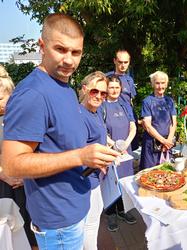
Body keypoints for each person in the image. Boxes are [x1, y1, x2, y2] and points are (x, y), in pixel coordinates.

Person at [1, 13, 119, 249]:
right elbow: (12, 164)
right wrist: (80, 156)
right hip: (58, 221)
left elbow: (61, 142)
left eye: (76, 52)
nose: (69, 60)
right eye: (60, 49)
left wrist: (92, 157)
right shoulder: (32, 94)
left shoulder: (64, 86)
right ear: (42, 46)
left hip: (76, 204)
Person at [0, 70, 38, 249]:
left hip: (26, 186)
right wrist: (4, 175)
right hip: (5, 188)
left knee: (30, 231)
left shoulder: (21, 119)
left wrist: (27, 175)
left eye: (1, 98)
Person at [101, 75, 137, 232]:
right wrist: (114, 145)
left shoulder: (125, 105)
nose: (114, 90)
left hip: (125, 150)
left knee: (124, 180)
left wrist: (125, 144)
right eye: (111, 87)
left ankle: (122, 211)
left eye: (117, 87)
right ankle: (111, 214)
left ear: (121, 89)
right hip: (109, 150)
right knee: (110, 181)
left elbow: (133, 127)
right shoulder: (102, 106)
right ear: (107, 89)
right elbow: (100, 130)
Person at [78, 71, 108, 250]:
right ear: (84, 89)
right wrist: (100, 161)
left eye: (103, 93)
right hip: (86, 182)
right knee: (89, 226)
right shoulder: (80, 115)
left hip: (96, 178)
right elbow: (77, 154)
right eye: (94, 91)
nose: (98, 96)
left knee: (95, 219)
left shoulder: (95, 112)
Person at [139, 71, 177, 170]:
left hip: (166, 144)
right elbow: (147, 125)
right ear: (152, 84)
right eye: (157, 83)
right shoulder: (147, 101)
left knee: (167, 172)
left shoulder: (169, 101)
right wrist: (163, 141)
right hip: (152, 144)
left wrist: (168, 141)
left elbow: (173, 123)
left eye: (163, 83)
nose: (160, 86)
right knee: (149, 173)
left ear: (166, 84)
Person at [106, 50, 139, 151]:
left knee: (128, 149)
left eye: (126, 62)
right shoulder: (106, 77)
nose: (123, 65)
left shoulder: (129, 80)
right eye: (120, 62)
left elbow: (130, 100)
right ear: (115, 61)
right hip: (110, 118)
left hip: (126, 117)